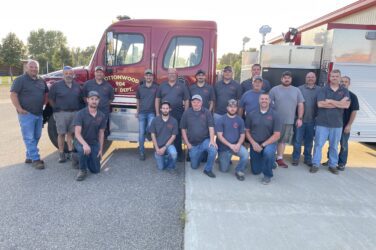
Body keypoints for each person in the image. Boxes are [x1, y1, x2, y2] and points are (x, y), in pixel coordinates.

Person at [10, 60, 48, 169]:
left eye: (35, 67)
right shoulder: (20, 80)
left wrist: (44, 104)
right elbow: (13, 94)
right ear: (27, 68)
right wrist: (19, 108)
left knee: (37, 136)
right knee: (29, 137)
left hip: (39, 113)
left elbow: (46, 93)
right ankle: (36, 159)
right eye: (31, 67)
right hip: (26, 114)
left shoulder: (41, 80)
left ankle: (29, 156)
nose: (34, 69)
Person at [311, 69, 350, 174]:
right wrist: (338, 103)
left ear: (339, 77)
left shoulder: (344, 90)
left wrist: (331, 101)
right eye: (332, 76)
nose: (334, 78)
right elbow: (320, 104)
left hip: (337, 124)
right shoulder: (323, 90)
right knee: (318, 144)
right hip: (322, 123)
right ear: (329, 77)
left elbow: (346, 105)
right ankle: (315, 164)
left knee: (334, 145)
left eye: (337, 76)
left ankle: (332, 165)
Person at [322, 76, 359, 171]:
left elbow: (354, 112)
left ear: (349, 84)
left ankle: (342, 163)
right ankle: (330, 160)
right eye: (342, 81)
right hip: (333, 124)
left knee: (343, 145)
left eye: (346, 82)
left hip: (344, 125)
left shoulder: (352, 96)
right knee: (332, 144)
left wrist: (349, 125)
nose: (343, 83)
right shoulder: (335, 95)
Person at [269, 71, 304, 168]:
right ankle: (270, 159)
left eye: (288, 78)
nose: (287, 79)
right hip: (274, 121)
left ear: (291, 79)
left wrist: (300, 118)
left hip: (289, 121)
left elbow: (300, 104)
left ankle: (279, 158)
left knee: (282, 141)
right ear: (281, 79)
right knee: (272, 140)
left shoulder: (296, 90)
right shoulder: (274, 90)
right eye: (285, 77)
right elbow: (268, 104)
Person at [48, 66, 83, 163]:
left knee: (71, 134)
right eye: (66, 73)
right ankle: (61, 154)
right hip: (61, 114)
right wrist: (56, 109)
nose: (68, 75)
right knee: (61, 134)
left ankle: (71, 152)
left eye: (70, 73)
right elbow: (50, 98)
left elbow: (81, 99)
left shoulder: (77, 86)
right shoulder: (56, 86)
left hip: (74, 113)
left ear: (73, 75)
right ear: (63, 75)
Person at [245, 93, 281, 184]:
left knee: (268, 152)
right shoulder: (251, 114)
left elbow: (277, 135)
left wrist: (262, 145)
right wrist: (253, 143)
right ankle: (270, 162)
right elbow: (247, 131)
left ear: (269, 101)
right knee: (256, 171)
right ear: (259, 100)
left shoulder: (275, 115)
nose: (264, 100)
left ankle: (267, 175)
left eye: (266, 99)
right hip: (255, 143)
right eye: (262, 99)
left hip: (269, 143)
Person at [155, 68, 190, 162]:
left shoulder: (182, 86)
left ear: (176, 74)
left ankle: (179, 153)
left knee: (177, 134)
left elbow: (187, 99)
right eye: (170, 73)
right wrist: (158, 113)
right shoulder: (162, 86)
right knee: (164, 133)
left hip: (178, 114)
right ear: (167, 74)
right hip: (164, 114)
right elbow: (157, 99)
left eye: (173, 73)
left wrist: (185, 113)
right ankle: (163, 152)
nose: (171, 75)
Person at [181, 95, 217, 178]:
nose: (196, 104)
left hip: (205, 141)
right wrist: (188, 144)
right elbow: (183, 129)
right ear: (191, 103)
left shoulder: (207, 112)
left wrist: (212, 140)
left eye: (198, 102)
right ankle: (200, 155)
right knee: (194, 166)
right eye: (194, 102)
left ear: (201, 103)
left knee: (213, 150)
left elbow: (211, 127)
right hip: (193, 144)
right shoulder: (186, 113)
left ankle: (208, 169)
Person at [74, 91, 107, 181]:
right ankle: (82, 169)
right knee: (83, 150)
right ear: (87, 100)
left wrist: (100, 149)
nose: (94, 101)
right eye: (92, 99)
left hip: (93, 142)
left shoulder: (102, 115)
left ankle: (83, 158)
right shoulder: (80, 114)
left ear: (99, 101)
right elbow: (77, 133)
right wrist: (84, 145)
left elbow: (101, 133)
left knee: (96, 170)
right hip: (80, 141)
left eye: (96, 99)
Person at [292, 72, 320, 167]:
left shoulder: (320, 90)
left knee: (309, 141)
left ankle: (308, 158)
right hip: (300, 120)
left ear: (315, 78)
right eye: (308, 77)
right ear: (305, 78)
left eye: (312, 77)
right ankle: (296, 158)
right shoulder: (299, 89)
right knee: (297, 140)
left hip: (313, 120)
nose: (310, 78)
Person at [216, 99, 248, 181]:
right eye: (230, 107)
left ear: (237, 108)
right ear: (227, 108)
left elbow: (242, 135)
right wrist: (230, 145)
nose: (232, 109)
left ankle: (239, 170)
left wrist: (238, 144)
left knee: (245, 154)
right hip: (225, 147)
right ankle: (221, 157)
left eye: (234, 107)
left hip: (236, 145)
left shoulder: (240, 120)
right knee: (224, 170)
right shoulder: (221, 119)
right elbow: (219, 136)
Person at [136, 69, 158, 160]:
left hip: (151, 112)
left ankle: (148, 133)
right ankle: (141, 151)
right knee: (141, 133)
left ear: (152, 77)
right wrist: (137, 112)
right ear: (144, 77)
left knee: (150, 127)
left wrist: (157, 112)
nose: (148, 77)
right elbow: (138, 100)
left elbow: (158, 100)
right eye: (147, 75)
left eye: (150, 75)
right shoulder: (140, 88)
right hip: (142, 113)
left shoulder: (156, 87)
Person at [150, 101, 178, 170]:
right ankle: (164, 158)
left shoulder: (174, 121)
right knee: (161, 168)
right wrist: (157, 148)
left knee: (174, 154)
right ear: (161, 109)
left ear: (169, 109)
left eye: (167, 108)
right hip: (158, 146)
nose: (165, 110)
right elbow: (152, 134)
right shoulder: (155, 120)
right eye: (163, 108)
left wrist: (165, 148)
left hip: (169, 145)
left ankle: (170, 166)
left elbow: (173, 136)